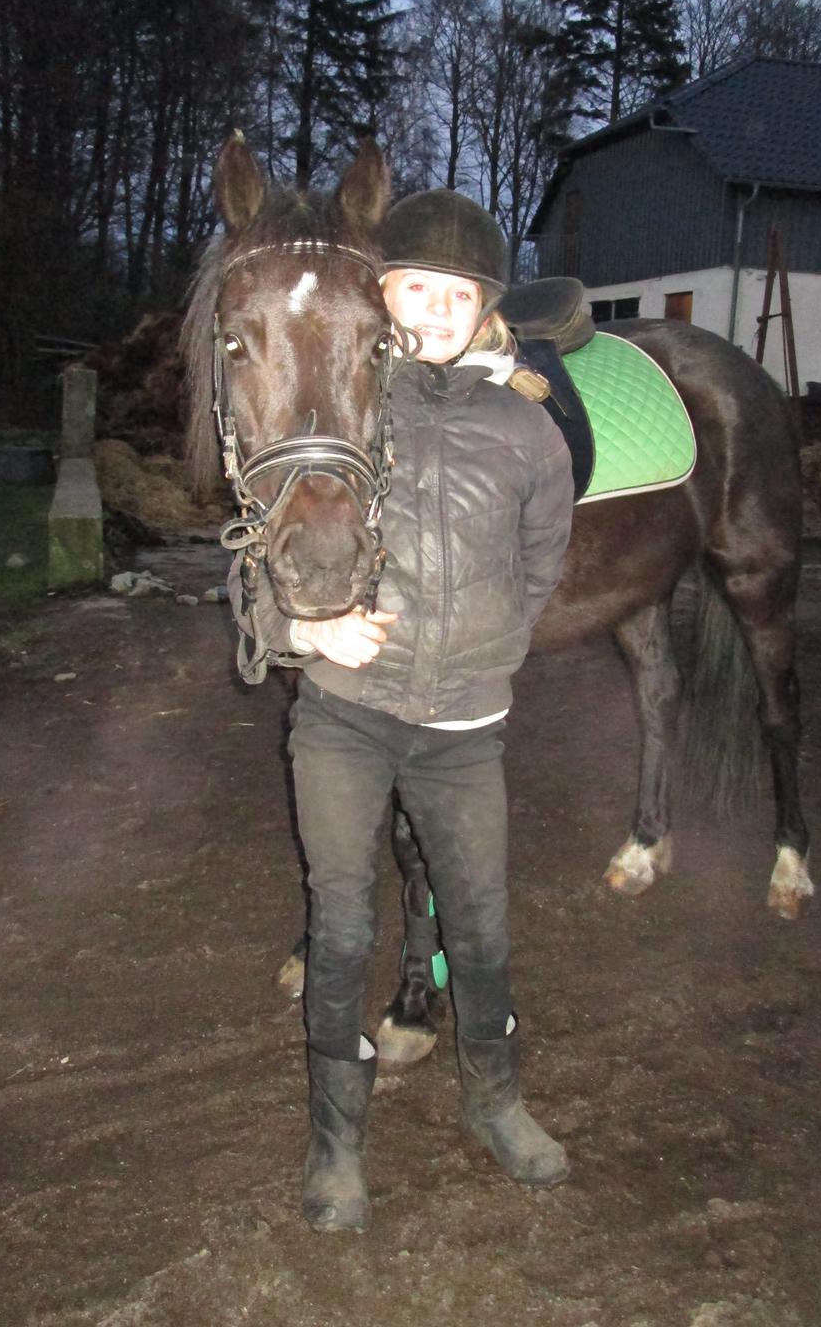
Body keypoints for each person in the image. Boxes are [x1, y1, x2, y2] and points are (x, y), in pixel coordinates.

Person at [229, 190, 575, 1232]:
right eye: (410, 288)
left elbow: (542, 562)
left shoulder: (526, 429)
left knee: (480, 925)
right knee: (342, 930)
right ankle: (337, 1147)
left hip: (465, 729)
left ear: (483, 313)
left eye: (451, 293)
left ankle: (497, 1101)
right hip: (344, 716)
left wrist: (490, 650)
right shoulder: (341, 402)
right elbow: (249, 558)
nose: (429, 308)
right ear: (381, 302)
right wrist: (304, 635)